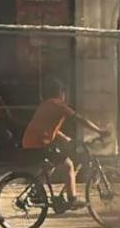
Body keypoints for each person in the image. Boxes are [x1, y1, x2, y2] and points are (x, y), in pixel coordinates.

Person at [22, 79, 110, 210]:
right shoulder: (59, 105)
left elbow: (51, 128)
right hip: (40, 143)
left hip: (31, 143)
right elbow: (79, 119)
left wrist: (66, 138)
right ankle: (72, 199)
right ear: (61, 93)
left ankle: (35, 193)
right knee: (68, 165)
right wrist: (99, 131)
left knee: (51, 165)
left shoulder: (46, 105)